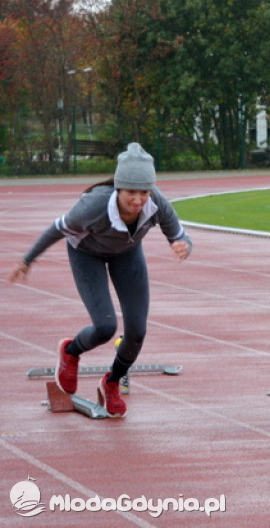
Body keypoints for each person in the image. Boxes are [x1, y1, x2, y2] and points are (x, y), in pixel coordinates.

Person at [6, 143, 192, 416]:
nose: (138, 200)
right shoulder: (93, 204)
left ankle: (112, 382)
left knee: (137, 331)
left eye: (144, 192)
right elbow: (56, 229)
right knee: (106, 327)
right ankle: (70, 351)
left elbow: (180, 235)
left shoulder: (157, 204)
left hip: (127, 255)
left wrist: (183, 245)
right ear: (118, 188)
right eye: (131, 192)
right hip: (87, 255)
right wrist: (27, 260)